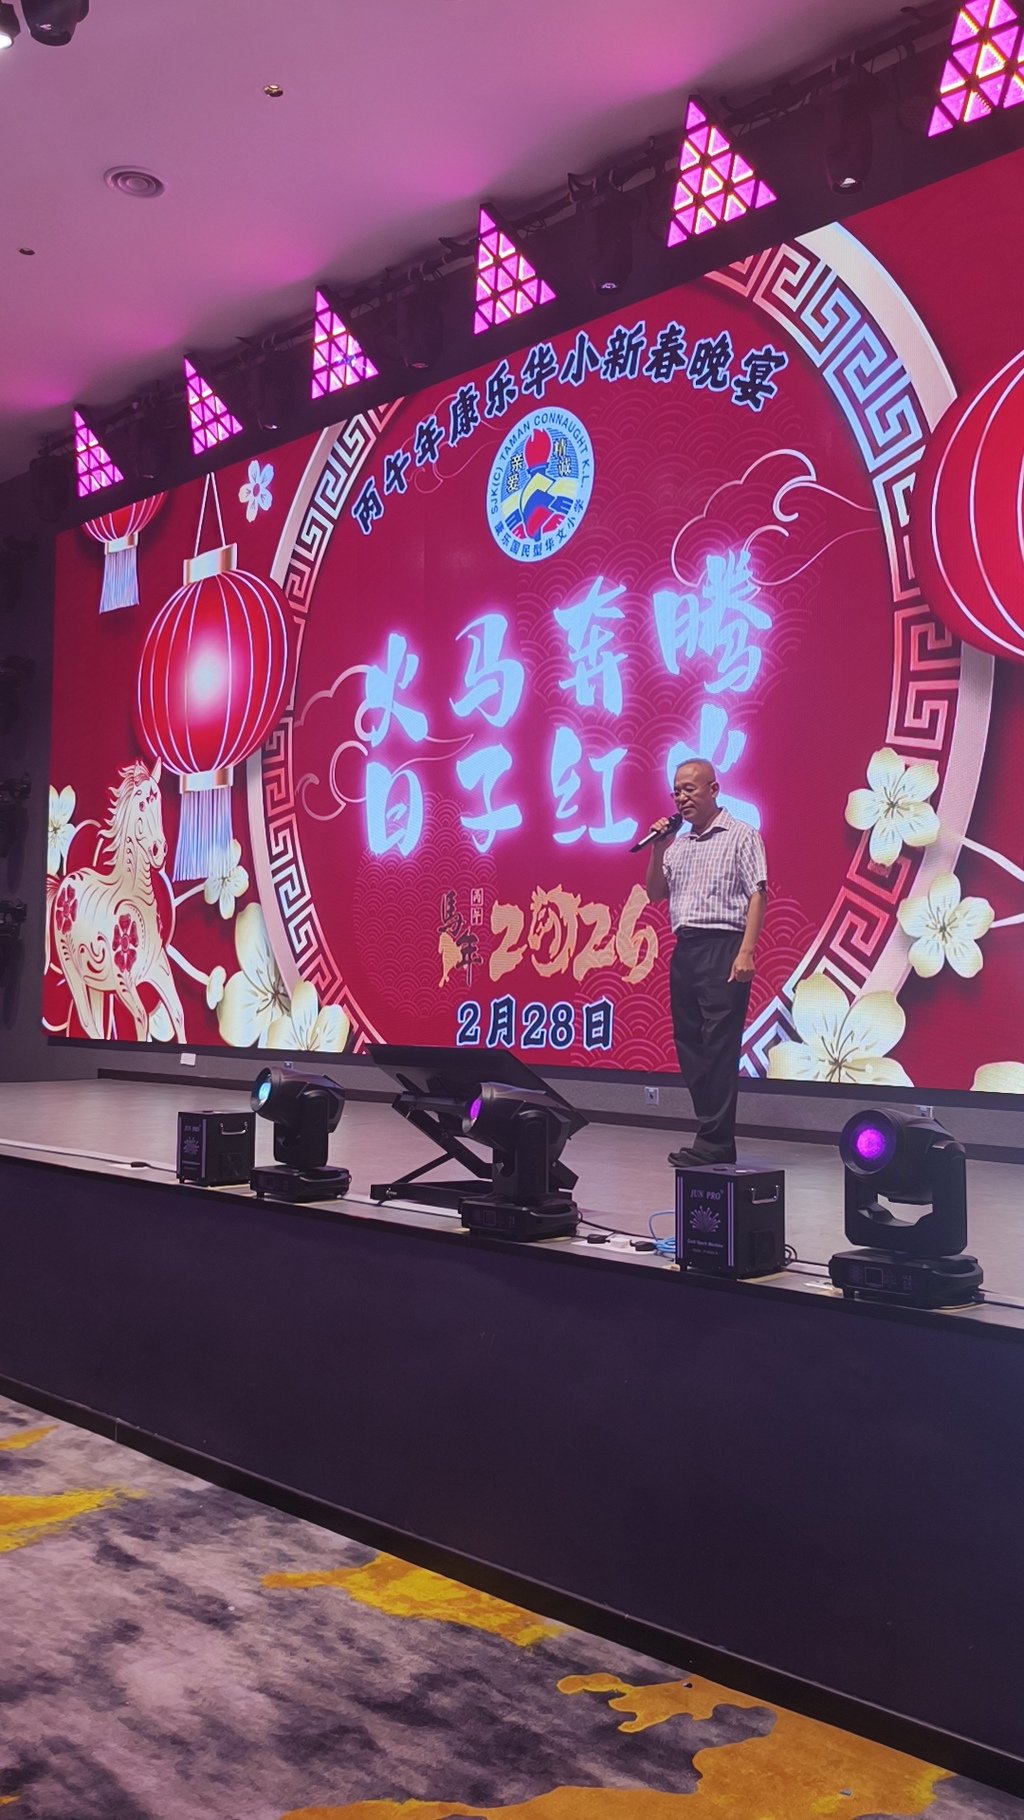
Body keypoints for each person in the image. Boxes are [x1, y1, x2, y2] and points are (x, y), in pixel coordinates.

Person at [644, 759, 767, 1168]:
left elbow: (757, 893)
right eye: (676, 791)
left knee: (718, 1047)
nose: (681, 797)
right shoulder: (677, 845)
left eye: (690, 789)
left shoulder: (741, 835)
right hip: (686, 948)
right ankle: (711, 1134)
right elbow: (655, 893)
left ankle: (715, 1142)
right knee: (690, 1045)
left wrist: (746, 951)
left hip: (724, 947)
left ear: (713, 789)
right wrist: (659, 846)